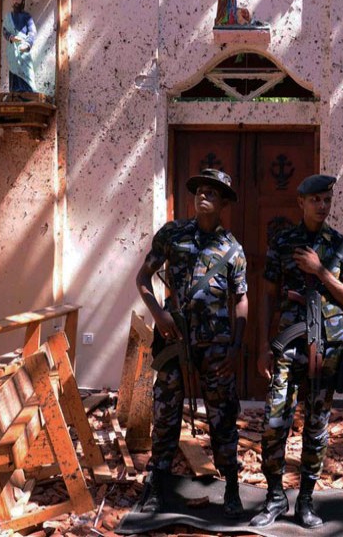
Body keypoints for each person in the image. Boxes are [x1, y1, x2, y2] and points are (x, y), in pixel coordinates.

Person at [134, 168, 248, 517]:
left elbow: (241, 299)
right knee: (165, 412)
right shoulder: (172, 234)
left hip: (216, 347)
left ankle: (230, 484)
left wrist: (237, 347)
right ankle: (157, 483)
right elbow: (142, 278)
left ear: (224, 203)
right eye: (199, 190)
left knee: (223, 416)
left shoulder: (232, 249)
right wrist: (158, 314)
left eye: (212, 193)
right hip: (173, 338)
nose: (203, 196)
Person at [250, 174, 343, 529]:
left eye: (327, 199)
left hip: (325, 351)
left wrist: (321, 272)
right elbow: (267, 297)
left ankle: (307, 501)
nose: (322, 205)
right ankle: (273, 496)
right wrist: (262, 347)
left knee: (316, 428)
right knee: (273, 424)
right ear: (300, 202)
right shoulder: (283, 243)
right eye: (315, 199)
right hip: (287, 347)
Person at [2, 0, 37, 93]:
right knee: (13, 69)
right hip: (12, 48)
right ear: (12, 1)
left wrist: (27, 44)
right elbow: (4, 30)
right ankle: (15, 90)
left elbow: (32, 32)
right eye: (15, 0)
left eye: (19, 0)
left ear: (23, 2)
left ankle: (28, 89)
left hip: (23, 47)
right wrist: (11, 37)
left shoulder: (27, 17)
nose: (16, 2)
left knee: (26, 69)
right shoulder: (8, 17)